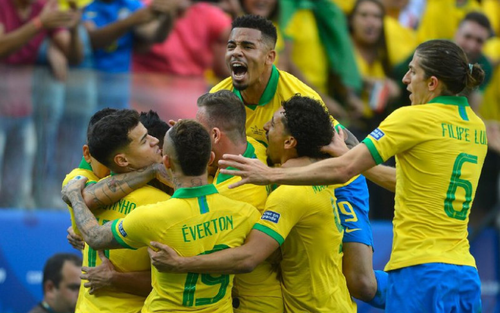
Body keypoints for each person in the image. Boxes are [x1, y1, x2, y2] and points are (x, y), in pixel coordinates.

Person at [218, 39, 487, 312]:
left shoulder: (412, 118)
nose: (405, 79)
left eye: (413, 71)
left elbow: (344, 171)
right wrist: (351, 156)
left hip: (421, 273)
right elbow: (409, 183)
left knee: (364, 283)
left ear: (432, 83)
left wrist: (269, 175)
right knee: (363, 283)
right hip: (464, 272)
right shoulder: (476, 127)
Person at [212, 13, 385, 306]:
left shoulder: (297, 96)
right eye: (231, 45)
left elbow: (344, 148)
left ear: (270, 57)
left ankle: (414, 293)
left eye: (247, 46)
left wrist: (367, 169)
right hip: (276, 182)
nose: (236, 52)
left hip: (334, 180)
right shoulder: (220, 97)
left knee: (361, 283)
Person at [148, 96, 357, 312]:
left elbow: (249, 258)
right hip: (336, 301)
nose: (265, 127)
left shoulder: (288, 194)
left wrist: (180, 264)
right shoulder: (317, 173)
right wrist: (186, 142)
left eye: (273, 124)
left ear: (289, 142)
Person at [62, 119, 261, 312]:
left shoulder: (152, 214)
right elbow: (259, 255)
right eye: (144, 140)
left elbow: (95, 236)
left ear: (166, 161)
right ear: (210, 158)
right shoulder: (245, 213)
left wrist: (74, 198)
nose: (154, 141)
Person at [64, 109, 170, 313]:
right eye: (144, 140)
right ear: (121, 160)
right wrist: (151, 171)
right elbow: (173, 284)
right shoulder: (162, 204)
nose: (154, 142)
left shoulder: (78, 189)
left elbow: (80, 197)